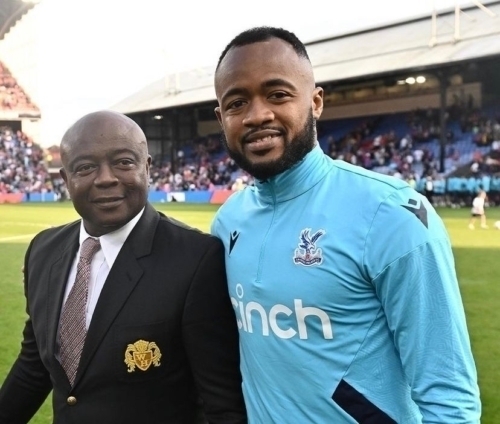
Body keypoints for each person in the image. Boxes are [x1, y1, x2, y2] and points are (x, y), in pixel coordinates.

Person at [211, 26, 481, 423]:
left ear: (316, 102)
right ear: (221, 118)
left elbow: (449, 394)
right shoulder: (227, 221)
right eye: (237, 103)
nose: (258, 115)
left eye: (278, 94)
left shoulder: (389, 213)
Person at [0, 110, 247, 424]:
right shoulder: (43, 250)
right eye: (86, 167)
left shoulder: (195, 259)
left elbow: (221, 404)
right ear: (65, 179)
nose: (106, 178)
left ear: (146, 168)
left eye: (123, 162)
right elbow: (35, 365)